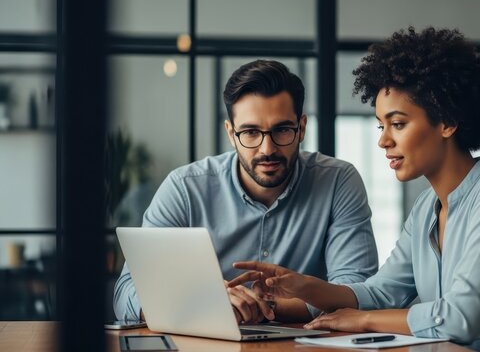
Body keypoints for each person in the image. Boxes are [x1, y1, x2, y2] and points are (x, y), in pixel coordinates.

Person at [228, 27, 480, 351]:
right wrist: (307, 287)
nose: (383, 140)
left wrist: (363, 321)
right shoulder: (426, 209)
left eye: (398, 124)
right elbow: (383, 291)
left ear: (447, 121)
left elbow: (461, 318)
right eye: (381, 125)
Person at [113, 60, 378, 324]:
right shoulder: (184, 188)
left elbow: (356, 292)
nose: (267, 149)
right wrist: (207, 305)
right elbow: (127, 294)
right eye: (251, 132)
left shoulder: (338, 181)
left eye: (282, 130)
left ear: (302, 128)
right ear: (231, 133)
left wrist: (260, 307)